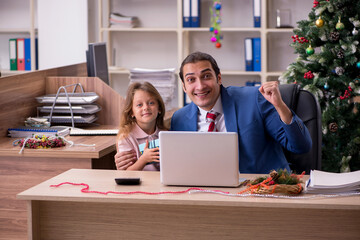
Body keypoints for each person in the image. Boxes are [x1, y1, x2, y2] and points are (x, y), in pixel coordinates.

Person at [116, 52, 312, 173]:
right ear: (184, 87)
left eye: (206, 76)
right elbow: (170, 162)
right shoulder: (180, 119)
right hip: (207, 196)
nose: (200, 86)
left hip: (261, 191)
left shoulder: (253, 99)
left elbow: (301, 146)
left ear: (219, 78)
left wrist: (280, 105)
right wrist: (129, 161)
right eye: (191, 80)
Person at [115, 82, 167, 171]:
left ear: (159, 108)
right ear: (131, 112)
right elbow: (126, 173)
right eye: (139, 105)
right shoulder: (126, 137)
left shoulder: (166, 134)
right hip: (139, 183)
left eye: (151, 103)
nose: (146, 107)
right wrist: (143, 159)